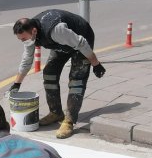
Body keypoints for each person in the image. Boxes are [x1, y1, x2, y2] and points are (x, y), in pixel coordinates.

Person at [9, 9, 106, 139]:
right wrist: (17, 84)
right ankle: (56, 113)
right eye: (20, 39)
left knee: (76, 79)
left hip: (80, 41)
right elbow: (27, 61)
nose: (23, 41)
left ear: (34, 31)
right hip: (61, 45)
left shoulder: (55, 30)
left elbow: (81, 43)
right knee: (49, 73)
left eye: (23, 38)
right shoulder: (30, 35)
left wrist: (96, 64)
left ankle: (69, 121)